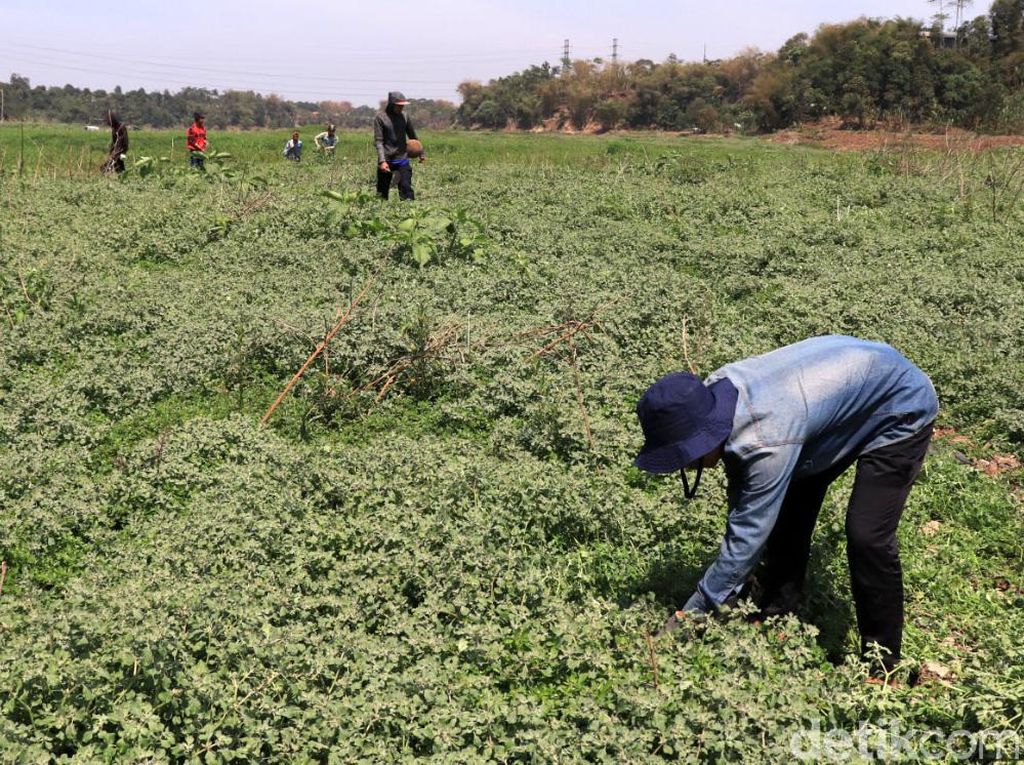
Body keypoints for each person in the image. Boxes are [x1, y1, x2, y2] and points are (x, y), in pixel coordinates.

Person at [635, 335, 938, 676]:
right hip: (844, 391)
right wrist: (732, 579)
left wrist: (690, 616)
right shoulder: (716, 394)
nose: (684, 465)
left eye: (684, 455)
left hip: (899, 403)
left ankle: (884, 664)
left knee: (867, 535)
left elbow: (748, 533)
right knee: (788, 506)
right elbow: (745, 502)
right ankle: (778, 614)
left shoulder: (767, 440)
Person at [373, 91, 425, 200]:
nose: (402, 108)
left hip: (402, 159)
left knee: (406, 187)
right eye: (399, 106)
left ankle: (410, 213)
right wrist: (382, 161)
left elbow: (412, 135)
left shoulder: (405, 117)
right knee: (382, 192)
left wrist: (421, 152)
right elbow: (379, 141)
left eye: (403, 106)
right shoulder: (380, 118)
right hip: (386, 159)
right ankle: (379, 214)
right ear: (392, 104)